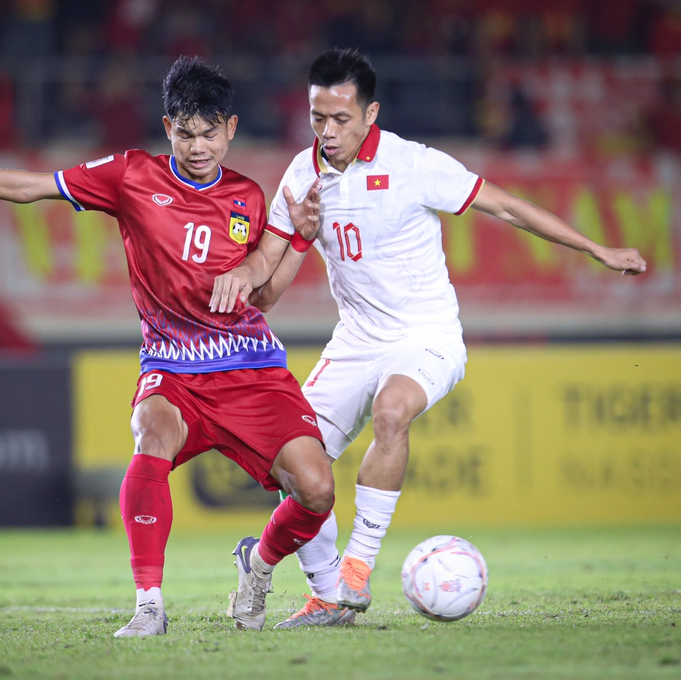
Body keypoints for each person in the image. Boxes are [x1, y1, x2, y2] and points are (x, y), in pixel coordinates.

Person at [0, 57, 336, 637]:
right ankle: (149, 604)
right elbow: (30, 189)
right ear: (168, 127)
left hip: (252, 368)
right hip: (174, 369)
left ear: (230, 128)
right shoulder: (131, 175)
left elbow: (266, 296)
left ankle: (259, 564)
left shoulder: (248, 196)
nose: (198, 147)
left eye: (210, 133)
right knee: (150, 433)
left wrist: (299, 237)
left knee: (317, 489)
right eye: (186, 132)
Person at [253, 49, 648, 628]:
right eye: (318, 118)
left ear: (370, 114)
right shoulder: (299, 175)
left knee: (392, 412)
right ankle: (326, 594)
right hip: (356, 338)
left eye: (341, 119)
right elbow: (265, 294)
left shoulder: (416, 165)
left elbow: (508, 209)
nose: (328, 131)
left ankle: (355, 575)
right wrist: (299, 241)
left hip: (426, 335)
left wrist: (597, 249)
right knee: (294, 464)